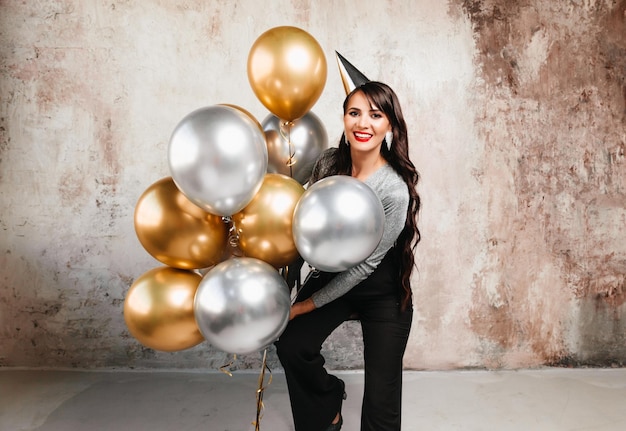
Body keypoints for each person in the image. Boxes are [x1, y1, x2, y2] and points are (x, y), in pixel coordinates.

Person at [275, 81, 421, 431]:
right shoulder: (328, 162)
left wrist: (305, 305)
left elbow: (366, 267)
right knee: (292, 346)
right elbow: (302, 222)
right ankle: (328, 405)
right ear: (343, 118)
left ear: (390, 126)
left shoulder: (394, 189)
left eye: (375, 115)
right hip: (335, 276)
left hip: (381, 289)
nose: (363, 124)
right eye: (354, 113)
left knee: (381, 409)